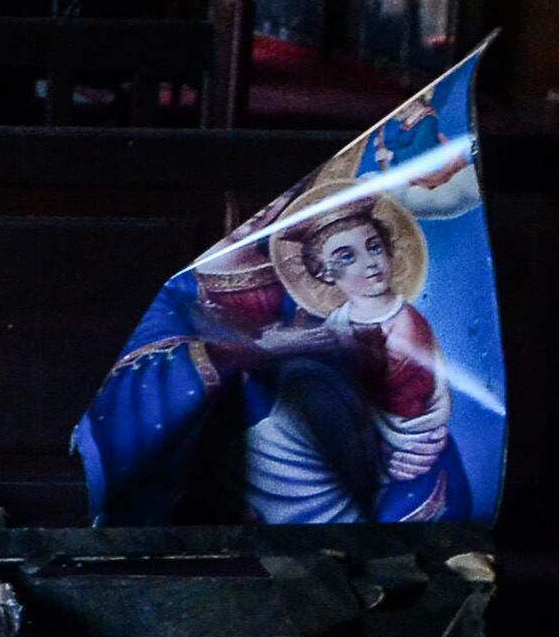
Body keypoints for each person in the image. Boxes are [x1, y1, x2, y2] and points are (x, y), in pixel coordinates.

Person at [194, 193, 465, 522]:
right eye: (347, 256)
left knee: (286, 423)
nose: (370, 263)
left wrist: (336, 357)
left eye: (375, 247)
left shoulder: (405, 322)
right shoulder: (339, 316)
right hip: (343, 426)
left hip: (391, 436)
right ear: (324, 273)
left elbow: (404, 393)